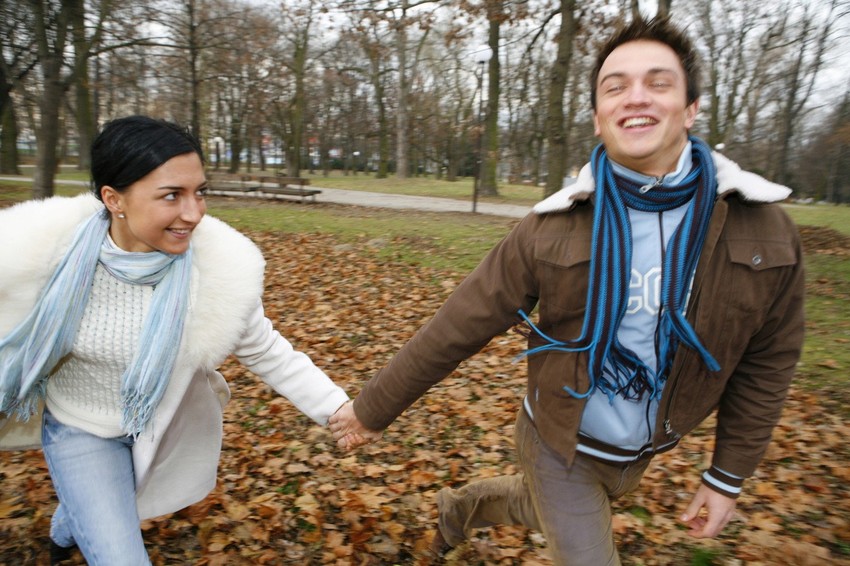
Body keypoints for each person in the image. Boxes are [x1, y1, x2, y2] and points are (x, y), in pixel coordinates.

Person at [329, 15, 805, 566]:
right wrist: (373, 408)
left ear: (691, 108)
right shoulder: (552, 226)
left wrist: (727, 476)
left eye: (658, 82)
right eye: (615, 87)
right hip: (558, 442)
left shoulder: (766, 230)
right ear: (599, 118)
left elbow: (768, 360)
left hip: (641, 451)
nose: (636, 97)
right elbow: (459, 323)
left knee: (538, 508)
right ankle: (503, 505)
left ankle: (458, 510)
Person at [0, 115, 352, 565]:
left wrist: (337, 408)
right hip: (78, 428)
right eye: (172, 195)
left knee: (99, 505)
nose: (194, 212)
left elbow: (267, 350)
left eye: (199, 192)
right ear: (113, 199)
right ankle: (82, 510)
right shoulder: (50, 256)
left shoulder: (216, 271)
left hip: (157, 428)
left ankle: (69, 523)